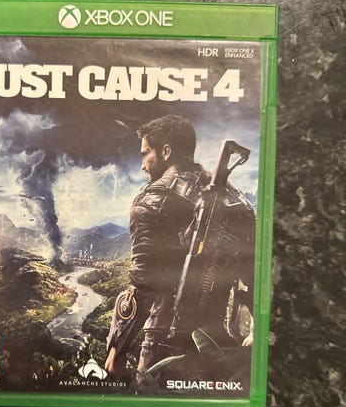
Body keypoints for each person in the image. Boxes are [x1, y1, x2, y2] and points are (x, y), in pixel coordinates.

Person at [105, 114, 255, 382]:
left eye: (146, 154)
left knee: (151, 399)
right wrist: (257, 329)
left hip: (163, 340)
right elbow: (254, 271)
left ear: (166, 151)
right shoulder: (233, 197)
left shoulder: (152, 199)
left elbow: (143, 283)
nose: (142, 164)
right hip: (217, 339)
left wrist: (117, 349)